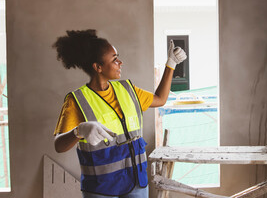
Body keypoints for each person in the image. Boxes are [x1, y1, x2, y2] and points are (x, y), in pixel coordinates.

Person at [52, 29, 186, 198]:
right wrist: (79, 131)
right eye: (114, 59)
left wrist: (171, 64)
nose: (120, 63)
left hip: (136, 183)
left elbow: (160, 99)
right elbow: (59, 145)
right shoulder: (77, 100)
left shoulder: (127, 90)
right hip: (101, 189)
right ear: (98, 67)